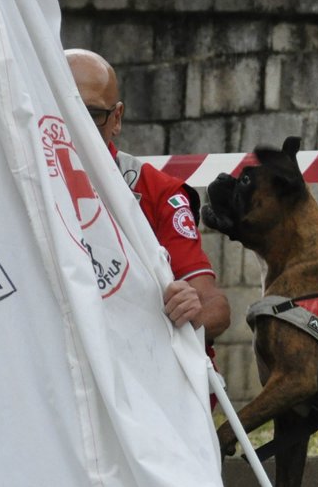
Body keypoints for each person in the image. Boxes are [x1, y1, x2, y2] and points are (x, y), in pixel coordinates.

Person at [65, 49, 231, 346]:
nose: (77, 126)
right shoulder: (16, 185)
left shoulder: (158, 191)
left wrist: (189, 309)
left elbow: (214, 306)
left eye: (92, 115)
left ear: (116, 118)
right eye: (63, 110)